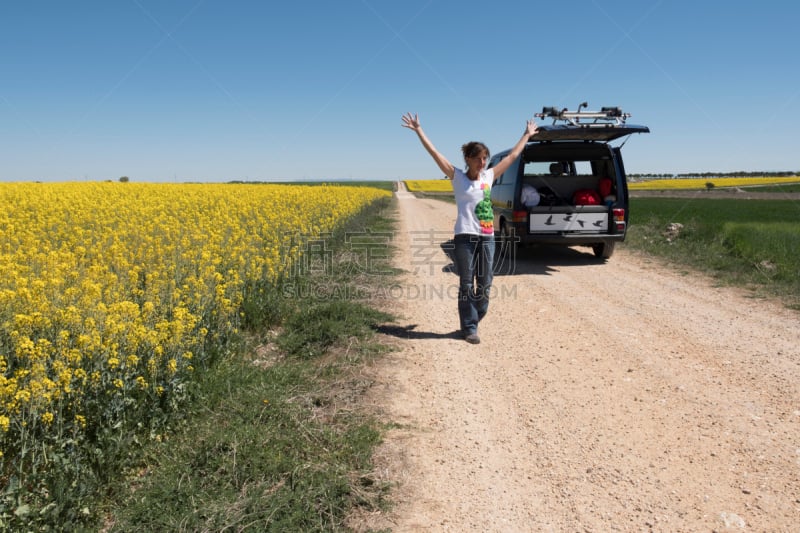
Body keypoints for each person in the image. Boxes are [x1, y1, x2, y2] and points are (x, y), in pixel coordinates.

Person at [401, 112, 538, 344]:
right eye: (477, 158)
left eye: (485, 158)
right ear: (468, 158)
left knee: (485, 283)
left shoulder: (489, 176)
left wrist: (526, 135)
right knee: (466, 283)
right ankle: (469, 327)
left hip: (486, 237)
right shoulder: (457, 177)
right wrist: (419, 131)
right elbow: (435, 153)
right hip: (464, 237)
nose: (482, 162)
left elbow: (514, 155)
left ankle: (475, 316)